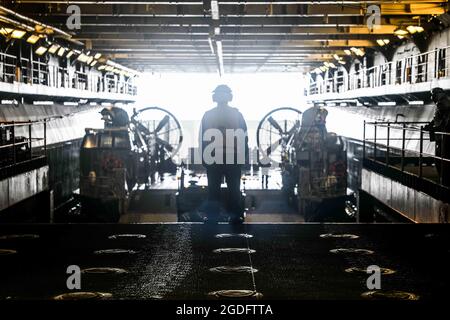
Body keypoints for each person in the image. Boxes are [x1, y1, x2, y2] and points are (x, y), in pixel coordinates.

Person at [199, 85, 249, 223]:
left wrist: (204, 158)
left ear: (214, 97)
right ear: (230, 97)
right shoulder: (237, 114)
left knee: (213, 189)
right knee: (234, 189)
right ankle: (235, 217)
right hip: (233, 157)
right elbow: (244, 137)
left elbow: (203, 138)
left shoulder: (208, 115)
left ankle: (212, 217)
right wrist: (243, 157)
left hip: (213, 157)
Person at [424, 87, 450, 187]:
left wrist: (433, 128)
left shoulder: (442, 104)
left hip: (443, 138)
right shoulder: (443, 103)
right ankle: (444, 181)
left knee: (441, 160)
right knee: (441, 160)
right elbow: (437, 119)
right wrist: (431, 125)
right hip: (442, 137)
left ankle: (444, 182)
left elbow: (442, 121)